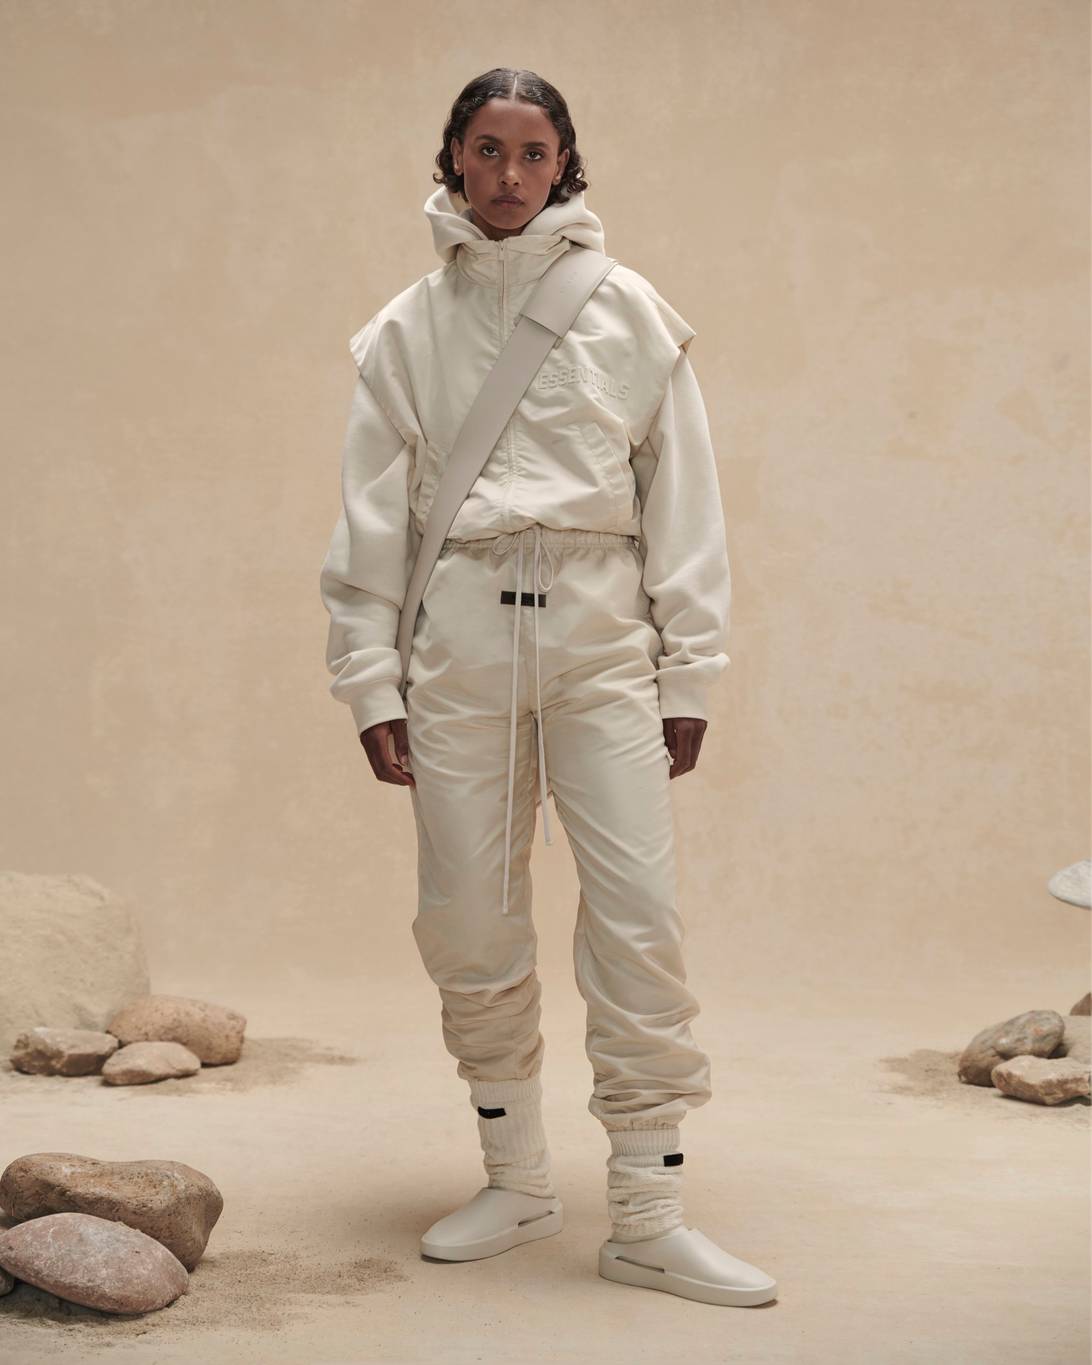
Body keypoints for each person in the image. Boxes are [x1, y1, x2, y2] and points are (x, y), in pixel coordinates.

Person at [319, 67, 777, 1308]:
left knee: (638, 918)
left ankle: (649, 1213)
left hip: (600, 638)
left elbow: (684, 500)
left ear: (565, 162)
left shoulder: (631, 312)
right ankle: (515, 1178)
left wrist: (689, 668)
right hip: (459, 644)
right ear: (452, 158)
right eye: (487, 149)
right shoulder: (403, 330)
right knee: (466, 917)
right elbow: (369, 523)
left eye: (533, 153)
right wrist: (371, 684)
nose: (510, 175)